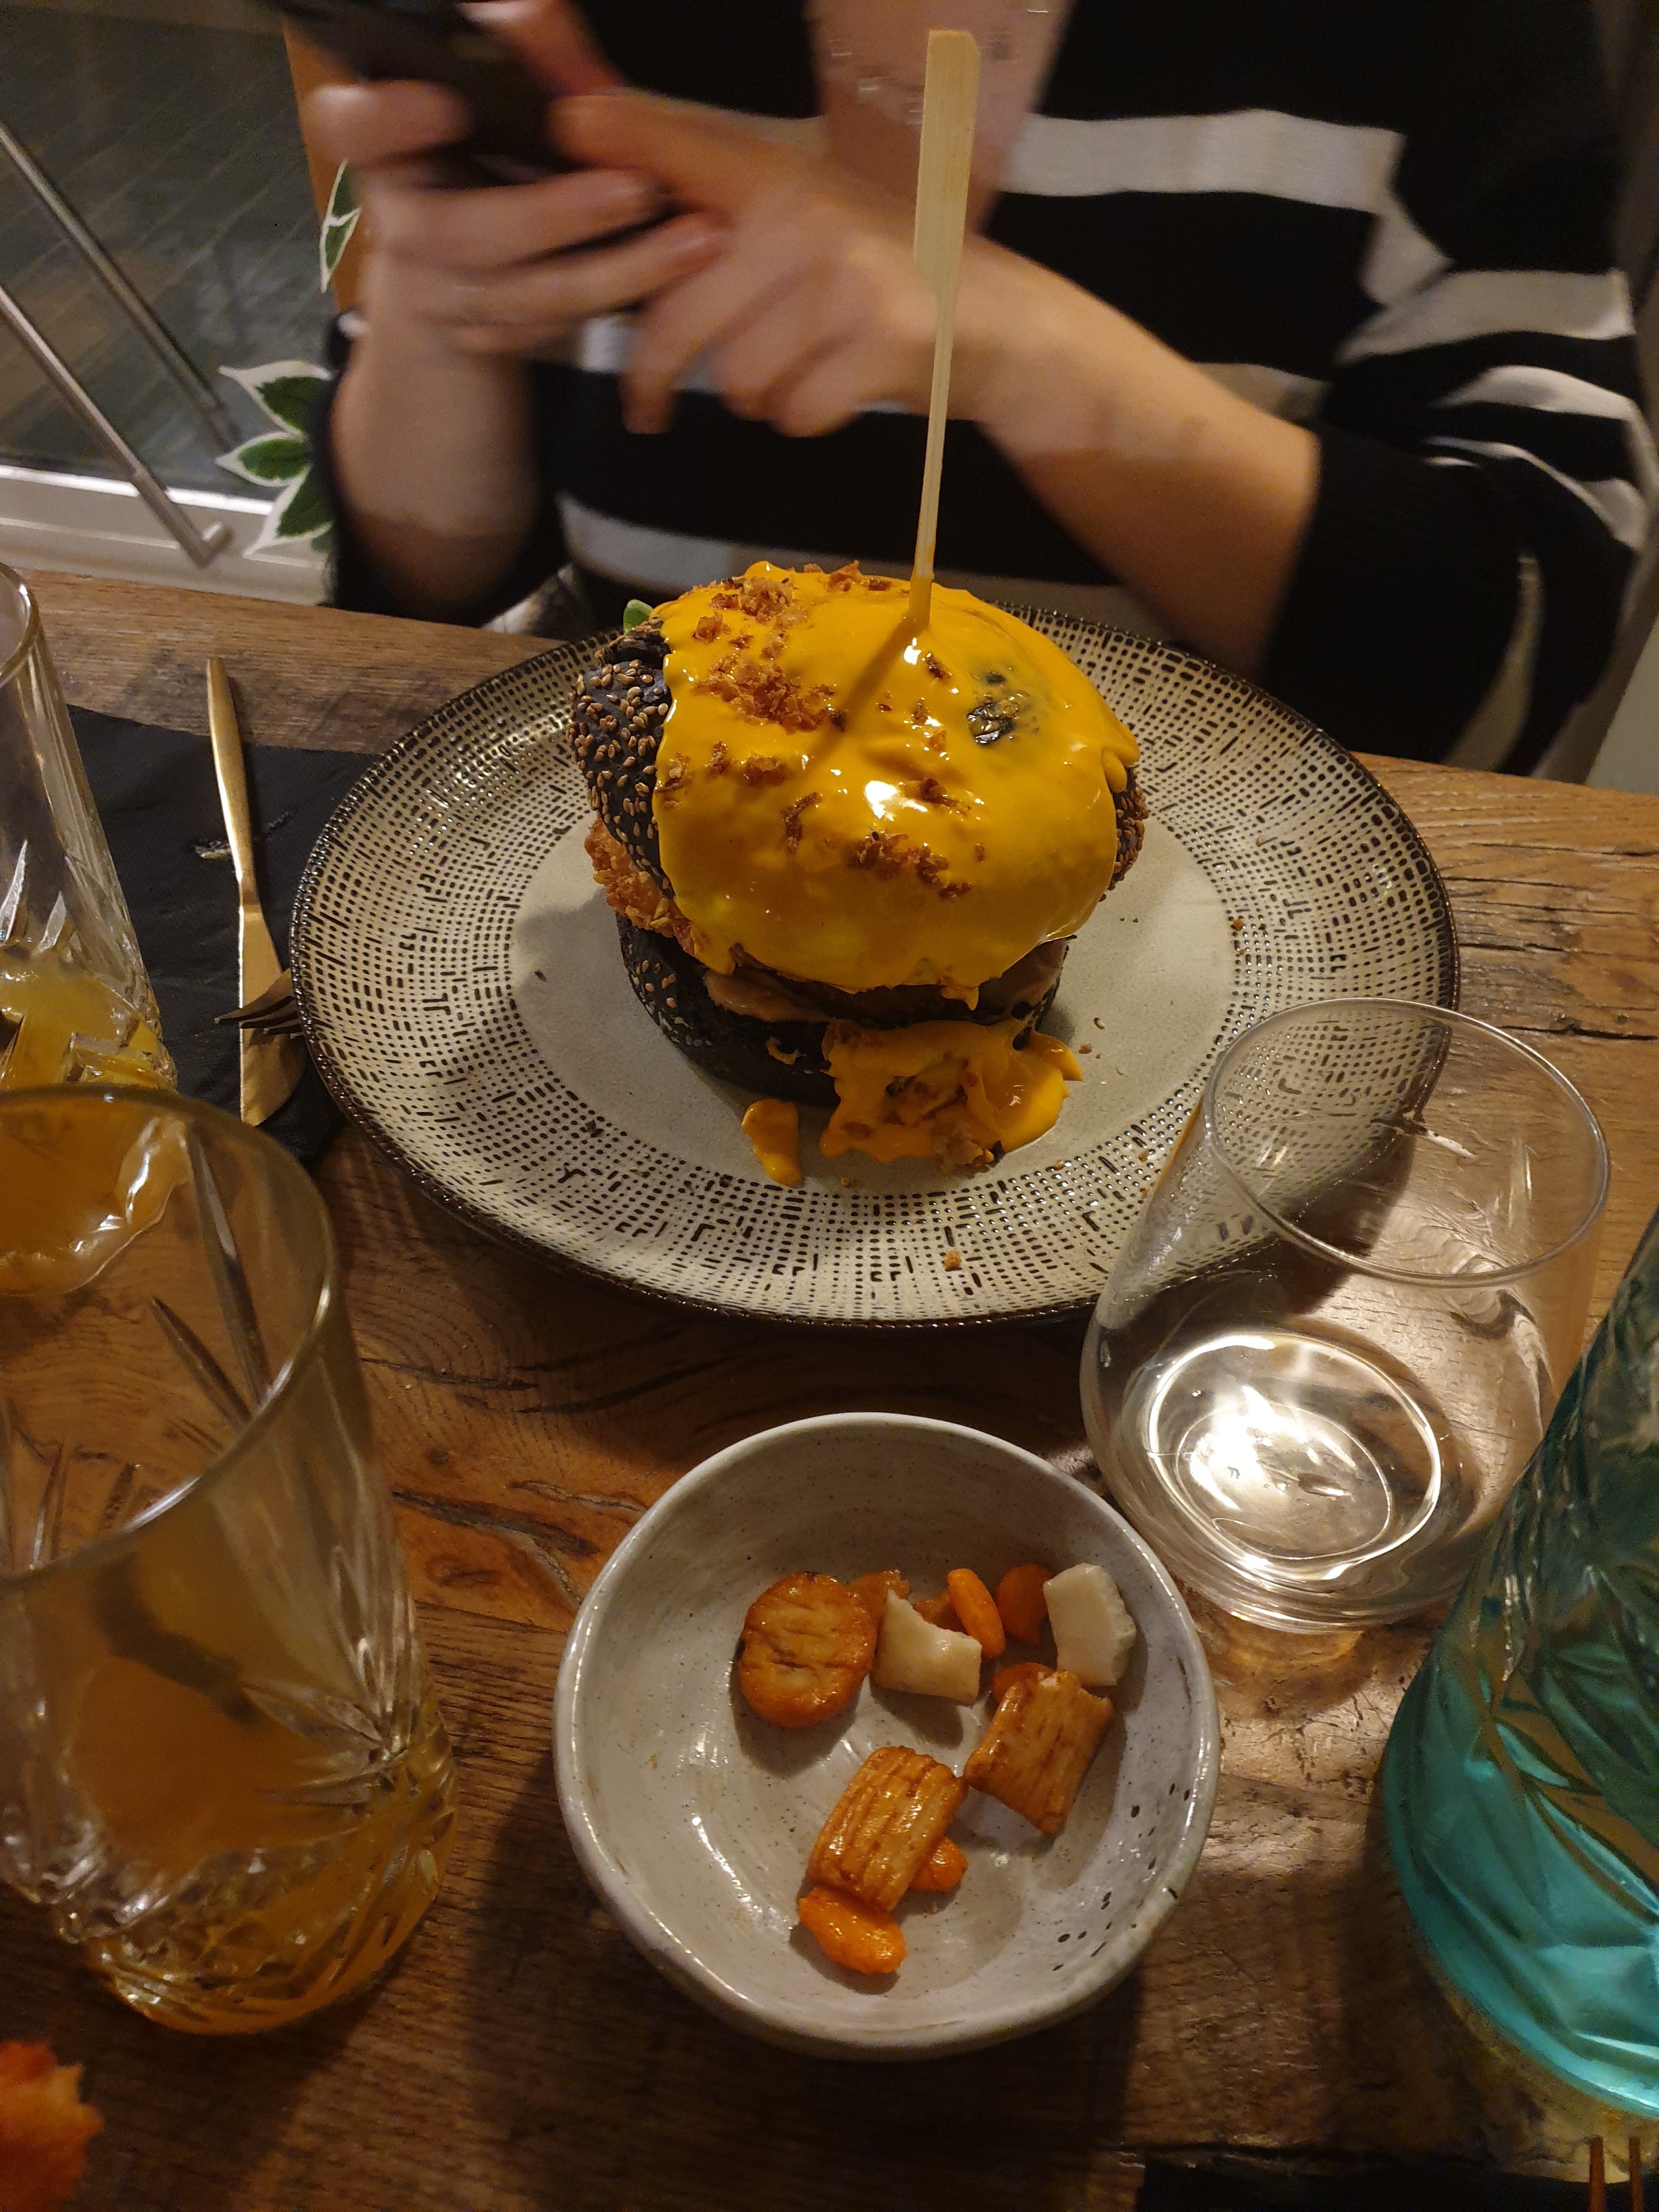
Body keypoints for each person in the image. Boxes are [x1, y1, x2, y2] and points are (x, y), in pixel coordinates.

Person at [311, 0, 1655, 774]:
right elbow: (425, 588)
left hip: (1220, 976)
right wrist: (437, 322)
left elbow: (1513, 663)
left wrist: (1026, 351)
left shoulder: (1436, 37)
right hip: (642, 888)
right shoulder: (579, 26)